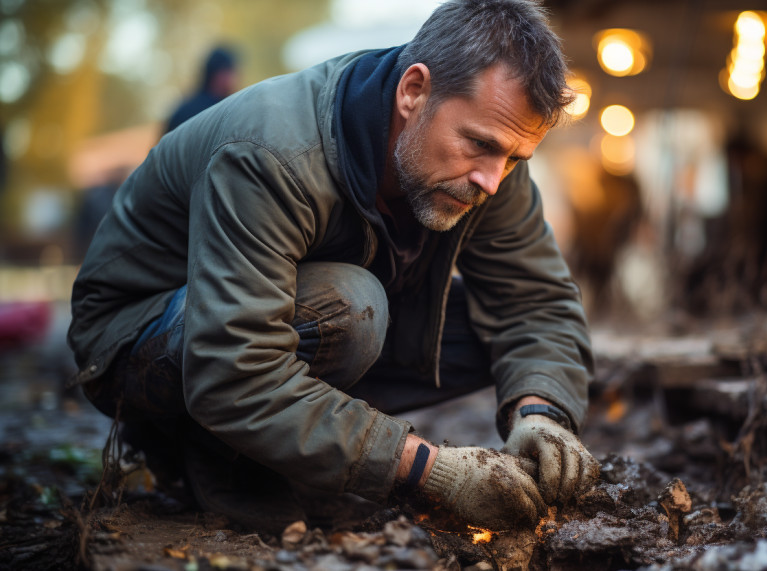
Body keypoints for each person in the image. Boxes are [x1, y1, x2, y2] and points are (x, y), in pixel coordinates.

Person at [68, 0, 598, 534]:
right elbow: (233, 366)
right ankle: (212, 446)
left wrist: (541, 411)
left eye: (513, 159)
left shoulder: (491, 160)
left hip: (268, 333)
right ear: (414, 91)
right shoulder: (270, 152)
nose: (492, 180)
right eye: (479, 144)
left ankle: (297, 435)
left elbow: (535, 300)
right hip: (137, 341)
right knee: (353, 304)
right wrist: (428, 470)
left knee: (484, 329)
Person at [163, 45, 240, 135]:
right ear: (219, 75)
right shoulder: (222, 111)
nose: (236, 79)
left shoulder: (183, 108)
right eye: (231, 72)